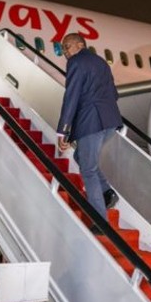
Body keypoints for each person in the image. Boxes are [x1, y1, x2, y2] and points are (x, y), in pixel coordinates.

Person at [56, 33, 121, 223]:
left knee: (88, 170)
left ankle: (100, 221)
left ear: (80, 45)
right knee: (81, 157)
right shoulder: (101, 62)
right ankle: (107, 191)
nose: (65, 52)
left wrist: (64, 130)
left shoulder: (76, 62)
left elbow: (72, 96)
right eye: (64, 48)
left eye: (67, 46)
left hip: (91, 122)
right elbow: (114, 94)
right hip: (109, 121)